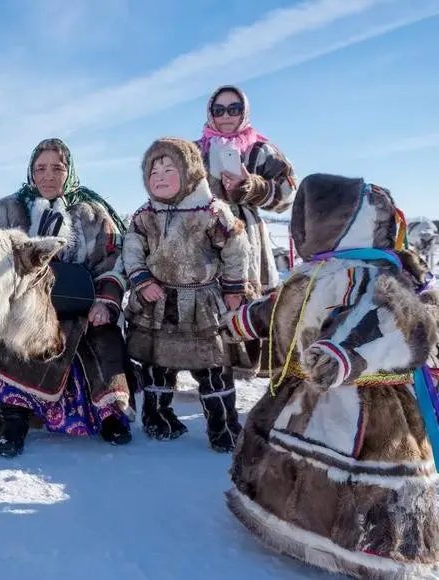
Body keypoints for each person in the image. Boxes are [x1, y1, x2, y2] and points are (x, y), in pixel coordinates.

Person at [222, 173, 439, 579]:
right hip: (304, 387)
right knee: (289, 450)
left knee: (356, 472)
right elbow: (280, 307)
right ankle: (286, 521)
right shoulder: (316, 272)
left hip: (364, 399)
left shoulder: (376, 274)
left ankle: (359, 547)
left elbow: (396, 320)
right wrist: (242, 321)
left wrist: (344, 352)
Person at [0, 138, 136, 458]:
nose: (48, 175)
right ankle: (13, 418)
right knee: (11, 335)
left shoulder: (92, 214)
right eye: (40, 168)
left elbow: (112, 263)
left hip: (80, 307)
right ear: (30, 173)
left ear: (68, 172)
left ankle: (107, 414)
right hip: (26, 308)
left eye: (56, 168)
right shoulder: (6, 210)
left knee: (104, 339)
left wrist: (105, 303)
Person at [123, 137, 250, 452]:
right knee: (158, 366)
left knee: (213, 369)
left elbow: (236, 248)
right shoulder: (144, 215)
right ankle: (158, 419)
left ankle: (223, 428)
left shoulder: (211, 211)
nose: (161, 177)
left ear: (190, 171)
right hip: (158, 304)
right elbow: (132, 250)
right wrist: (142, 281)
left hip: (202, 304)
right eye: (154, 171)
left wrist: (234, 288)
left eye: (170, 168)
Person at [198, 85, 297, 377]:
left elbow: (289, 191)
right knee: (205, 301)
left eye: (234, 109)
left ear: (245, 112)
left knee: (250, 299)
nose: (226, 116)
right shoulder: (195, 150)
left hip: (247, 235)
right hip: (204, 234)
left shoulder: (260, 150)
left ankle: (254, 366)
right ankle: (209, 372)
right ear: (210, 113)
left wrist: (252, 185)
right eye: (219, 110)